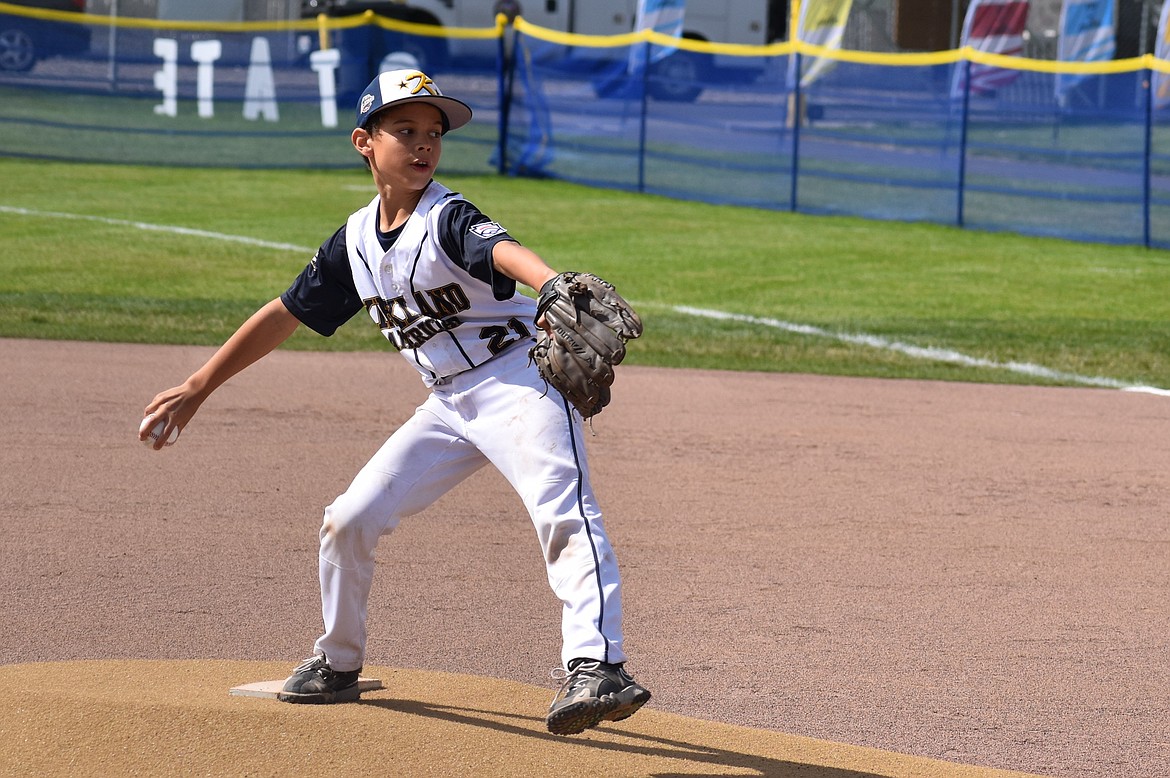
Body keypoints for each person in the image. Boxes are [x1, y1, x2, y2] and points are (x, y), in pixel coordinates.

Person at [139, 69, 650, 736]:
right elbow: (286, 312)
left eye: (432, 132)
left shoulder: (448, 216)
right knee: (350, 517)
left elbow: (498, 249)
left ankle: (596, 664)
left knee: (562, 507)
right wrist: (200, 384)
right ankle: (338, 663)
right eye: (403, 130)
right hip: (446, 405)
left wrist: (551, 281)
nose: (422, 144)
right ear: (364, 142)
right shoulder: (353, 243)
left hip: (521, 382)